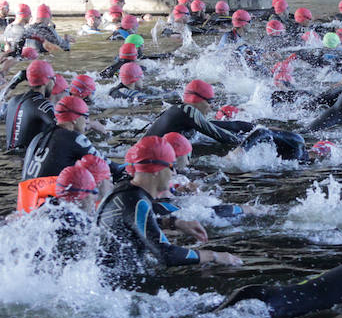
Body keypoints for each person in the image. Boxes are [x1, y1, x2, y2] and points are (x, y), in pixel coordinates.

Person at [96, 136, 242, 288]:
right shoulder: (137, 201)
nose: (173, 172)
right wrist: (214, 255)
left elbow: (131, 226)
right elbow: (167, 255)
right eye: (170, 166)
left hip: (110, 283)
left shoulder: (124, 192)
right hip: (120, 291)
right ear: (156, 171)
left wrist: (174, 223)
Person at [22, 96, 115, 180]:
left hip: (26, 195)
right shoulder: (74, 138)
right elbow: (109, 166)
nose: (87, 122)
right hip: (50, 196)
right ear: (74, 119)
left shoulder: (38, 137)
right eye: (85, 117)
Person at [143, 80, 242, 147]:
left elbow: (219, 125)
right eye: (210, 102)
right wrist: (247, 142)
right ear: (197, 100)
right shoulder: (188, 111)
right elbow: (225, 137)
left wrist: (249, 127)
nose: (211, 107)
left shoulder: (181, 112)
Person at [4, 60, 57, 151]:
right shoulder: (42, 104)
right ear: (46, 81)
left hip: (9, 156)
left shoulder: (13, 101)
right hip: (28, 160)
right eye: (53, 79)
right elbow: (61, 130)